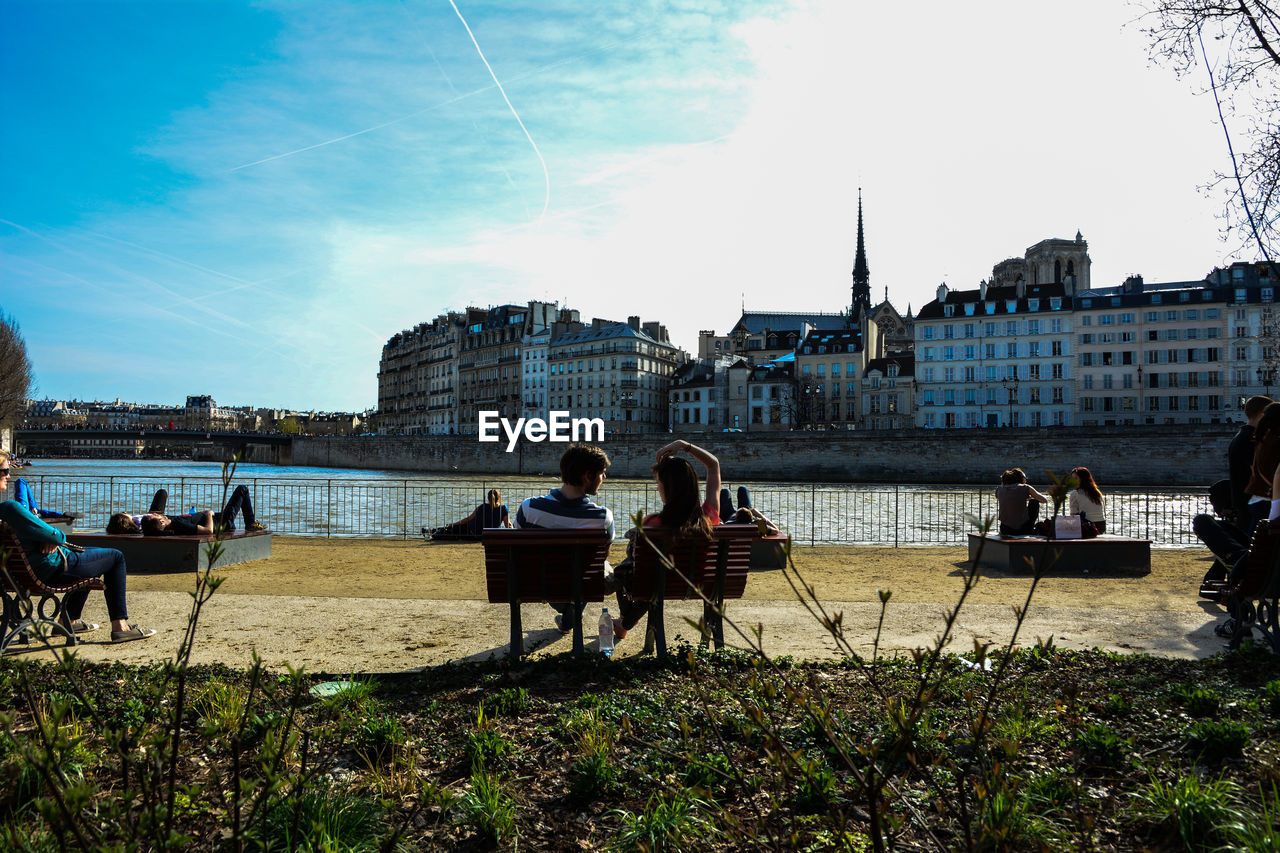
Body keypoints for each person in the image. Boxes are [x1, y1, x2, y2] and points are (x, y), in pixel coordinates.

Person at [0, 451, 154, 643]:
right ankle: (120, 626)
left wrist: (44, 538)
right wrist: (50, 538)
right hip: (50, 569)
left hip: (18, 574)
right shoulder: (10, 509)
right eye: (5, 470)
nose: (9, 475)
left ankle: (69, 621)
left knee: (90, 553)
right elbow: (57, 535)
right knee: (115, 557)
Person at [613, 439, 722, 642]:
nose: (657, 489)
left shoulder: (651, 523)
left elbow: (638, 567)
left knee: (624, 571)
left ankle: (624, 621)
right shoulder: (709, 516)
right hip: (700, 584)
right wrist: (684, 445)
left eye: (659, 484)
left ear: (667, 490)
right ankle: (624, 622)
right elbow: (713, 465)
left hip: (656, 587)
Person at [514, 444, 614, 633]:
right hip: (581, 583)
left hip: (537, 584)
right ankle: (571, 617)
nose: (604, 478)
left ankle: (568, 617)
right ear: (588, 476)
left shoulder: (529, 509)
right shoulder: (603, 518)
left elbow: (520, 551)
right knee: (595, 567)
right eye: (602, 473)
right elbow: (602, 558)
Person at [137, 485, 265, 536]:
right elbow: (208, 531)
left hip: (219, 520)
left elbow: (158, 505)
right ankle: (250, 523)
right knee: (242, 489)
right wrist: (208, 514)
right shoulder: (178, 524)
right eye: (155, 516)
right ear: (162, 523)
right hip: (221, 522)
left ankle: (250, 523)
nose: (154, 514)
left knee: (162, 493)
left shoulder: (170, 522)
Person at [424, 489, 512, 540]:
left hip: (472, 531)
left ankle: (431, 532)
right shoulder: (504, 508)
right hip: (486, 536)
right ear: (499, 498)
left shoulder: (482, 507)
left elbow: (468, 519)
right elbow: (507, 524)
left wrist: (453, 524)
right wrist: (513, 531)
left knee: (452, 529)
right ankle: (432, 531)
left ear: (488, 498)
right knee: (453, 531)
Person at [995, 468, 1048, 536]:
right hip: (1023, 529)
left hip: (1005, 529)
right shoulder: (1025, 487)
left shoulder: (999, 489)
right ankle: (1030, 529)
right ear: (1021, 478)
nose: (1026, 480)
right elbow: (1044, 500)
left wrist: (1022, 498)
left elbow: (1006, 499)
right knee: (1034, 502)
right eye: (1025, 478)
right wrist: (1031, 498)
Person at [11, 477, 76, 522]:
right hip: (26, 515)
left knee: (21, 481)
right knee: (21, 481)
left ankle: (62, 515)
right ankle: (62, 515)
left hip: (25, 514)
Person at [1068, 466, 1106, 534]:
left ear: (1082, 479)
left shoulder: (1075, 493)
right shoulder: (1097, 492)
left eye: (1075, 478)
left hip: (1087, 527)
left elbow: (1073, 516)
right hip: (1101, 526)